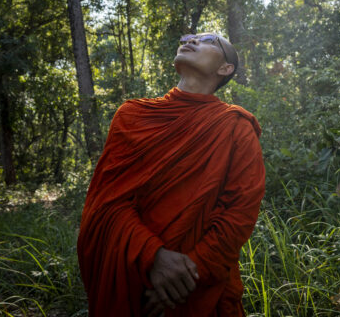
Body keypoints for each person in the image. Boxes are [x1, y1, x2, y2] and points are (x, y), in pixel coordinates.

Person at [77, 32, 265, 316]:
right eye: (189, 37)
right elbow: (107, 201)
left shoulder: (235, 126)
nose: (190, 41)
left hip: (199, 287)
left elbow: (239, 213)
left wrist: (188, 275)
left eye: (209, 40)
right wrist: (153, 257)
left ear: (225, 68)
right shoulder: (132, 115)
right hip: (134, 274)